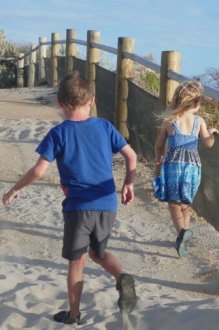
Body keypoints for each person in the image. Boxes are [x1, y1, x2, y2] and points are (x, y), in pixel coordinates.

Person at [2, 71, 138, 325]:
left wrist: (15, 189)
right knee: (99, 253)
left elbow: (39, 171)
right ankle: (122, 277)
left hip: (79, 207)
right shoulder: (105, 126)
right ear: (92, 100)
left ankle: (74, 314)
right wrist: (129, 183)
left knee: (77, 262)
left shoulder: (58, 134)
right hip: (108, 203)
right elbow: (131, 156)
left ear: (59, 103)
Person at [153, 80, 217, 257]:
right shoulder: (199, 121)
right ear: (196, 103)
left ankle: (182, 234)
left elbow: (158, 144)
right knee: (184, 206)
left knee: (173, 204)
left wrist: (158, 156)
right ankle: (184, 234)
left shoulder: (170, 121)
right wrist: (212, 133)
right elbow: (209, 143)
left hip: (173, 165)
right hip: (192, 167)